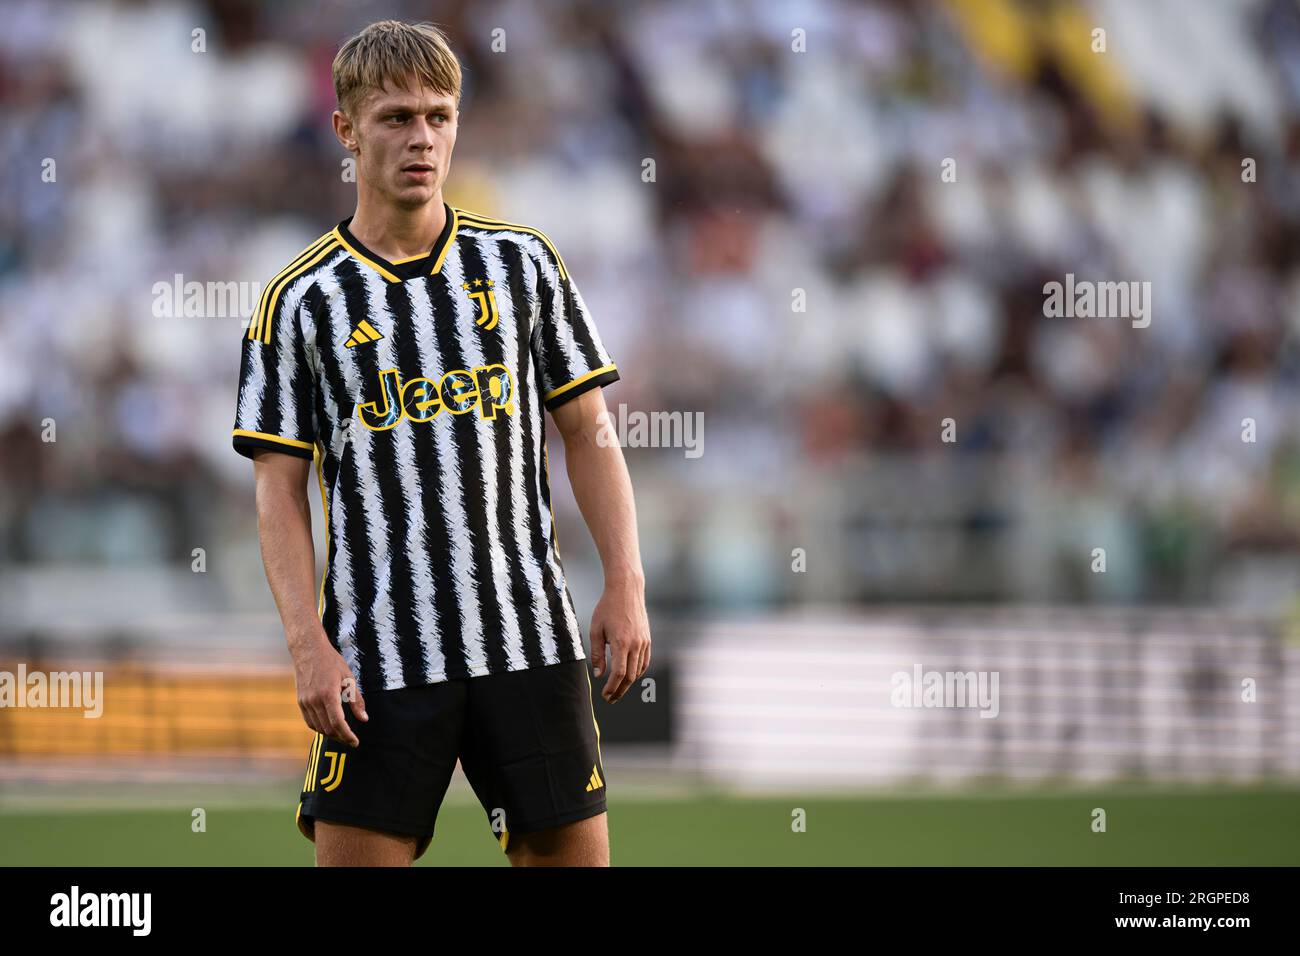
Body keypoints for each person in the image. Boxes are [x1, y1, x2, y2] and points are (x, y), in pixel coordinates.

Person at [230, 19, 650, 867]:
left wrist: (626, 584)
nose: (422, 138)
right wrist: (307, 643)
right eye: (395, 118)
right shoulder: (301, 299)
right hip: (379, 655)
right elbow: (277, 487)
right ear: (346, 129)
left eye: (439, 116)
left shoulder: (524, 265)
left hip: (527, 636)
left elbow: (591, 433)